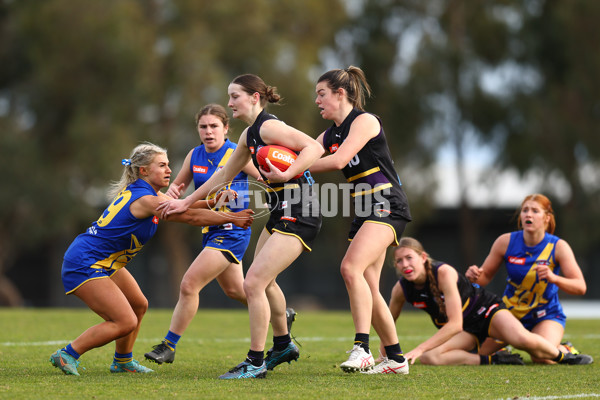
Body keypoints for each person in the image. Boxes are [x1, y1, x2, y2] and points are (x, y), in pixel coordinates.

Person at [158, 74, 323, 379]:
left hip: (302, 207)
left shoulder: (270, 127)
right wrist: (185, 201)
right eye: (230, 96)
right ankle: (284, 345)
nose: (230, 102)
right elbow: (222, 177)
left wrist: (288, 175)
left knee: (253, 284)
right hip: (281, 209)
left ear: (255, 97)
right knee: (262, 281)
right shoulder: (249, 136)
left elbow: (314, 148)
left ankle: (255, 361)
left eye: (235, 96)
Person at [49, 143, 254, 376]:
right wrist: (230, 217)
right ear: (144, 171)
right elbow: (189, 216)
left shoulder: (149, 193)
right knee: (125, 321)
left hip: (104, 261)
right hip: (85, 262)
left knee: (139, 305)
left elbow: (182, 205)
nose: (169, 170)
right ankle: (67, 354)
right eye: (162, 165)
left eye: (168, 165)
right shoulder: (147, 199)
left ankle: (122, 362)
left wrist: (214, 201)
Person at [309, 66, 412, 374]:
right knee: (367, 282)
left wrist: (293, 169)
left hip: (386, 203)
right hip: (364, 208)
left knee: (349, 267)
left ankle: (362, 349)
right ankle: (395, 359)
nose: (317, 101)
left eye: (322, 94)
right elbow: (305, 154)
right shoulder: (329, 134)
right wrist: (271, 158)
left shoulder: (365, 121)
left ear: (341, 94)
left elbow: (338, 160)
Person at [144, 104, 260, 365]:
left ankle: (168, 345)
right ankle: (279, 314)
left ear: (226, 128)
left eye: (214, 126)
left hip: (233, 230)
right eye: (203, 127)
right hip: (209, 229)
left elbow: (264, 179)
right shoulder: (194, 155)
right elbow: (177, 188)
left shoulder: (236, 153)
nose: (208, 132)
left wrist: (240, 197)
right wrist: (168, 196)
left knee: (189, 284)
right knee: (236, 291)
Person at [386, 237, 593, 366]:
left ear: (422, 257)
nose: (405, 265)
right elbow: (387, 321)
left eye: (409, 258)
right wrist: (386, 354)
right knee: (430, 358)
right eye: (399, 261)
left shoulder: (444, 273)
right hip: (466, 330)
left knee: (524, 341)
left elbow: (454, 324)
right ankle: (495, 359)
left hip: (487, 312)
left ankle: (565, 356)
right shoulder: (401, 289)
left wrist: (419, 347)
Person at [465, 193, 589, 363]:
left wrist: (554, 278)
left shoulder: (558, 246)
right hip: (509, 314)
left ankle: (565, 349)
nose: (528, 215)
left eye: (535, 211)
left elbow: (580, 287)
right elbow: (484, 277)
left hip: (545, 316)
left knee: (542, 358)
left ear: (547, 217)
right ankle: (506, 347)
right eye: (525, 210)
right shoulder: (505, 242)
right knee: (476, 352)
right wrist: (473, 276)